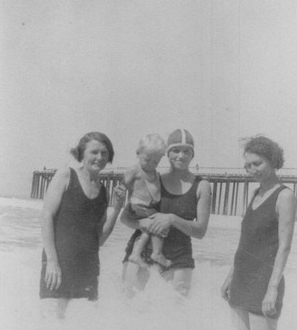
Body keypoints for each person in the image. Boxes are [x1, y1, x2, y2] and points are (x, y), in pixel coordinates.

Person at [221, 136, 296, 330]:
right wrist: (230, 276)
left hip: (264, 281)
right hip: (242, 278)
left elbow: (284, 247)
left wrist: (272, 289)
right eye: (248, 166)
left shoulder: (284, 196)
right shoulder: (255, 193)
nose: (252, 170)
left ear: (273, 161)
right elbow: (246, 241)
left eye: (258, 163)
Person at [40, 131, 126, 318]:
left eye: (104, 153)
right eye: (94, 152)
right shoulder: (66, 176)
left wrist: (117, 208)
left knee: (81, 326)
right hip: (59, 264)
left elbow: (99, 239)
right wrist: (52, 262)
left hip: (88, 267)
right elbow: (46, 217)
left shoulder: (103, 191)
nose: (100, 157)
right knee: (52, 322)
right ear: (82, 154)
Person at [121, 129, 211, 296]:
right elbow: (125, 217)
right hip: (141, 254)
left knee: (177, 313)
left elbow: (200, 231)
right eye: (176, 150)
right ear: (167, 154)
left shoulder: (202, 186)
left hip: (178, 258)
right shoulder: (155, 179)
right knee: (131, 310)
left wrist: (171, 219)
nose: (181, 156)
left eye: (186, 151)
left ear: (193, 155)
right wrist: (143, 223)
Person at [120, 134, 171, 269]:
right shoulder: (135, 169)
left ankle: (138, 254)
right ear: (138, 153)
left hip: (146, 207)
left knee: (148, 230)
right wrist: (120, 189)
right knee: (157, 225)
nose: (150, 164)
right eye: (147, 160)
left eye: (155, 162)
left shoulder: (155, 174)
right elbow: (124, 183)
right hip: (137, 205)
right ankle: (156, 253)